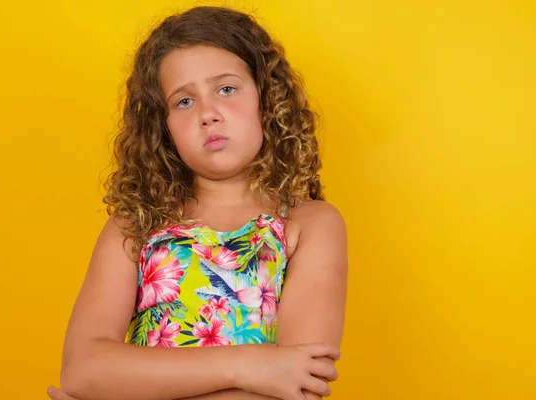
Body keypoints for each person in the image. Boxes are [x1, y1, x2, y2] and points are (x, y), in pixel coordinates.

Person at [47, 5, 348, 400]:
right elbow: (83, 371)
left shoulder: (310, 225)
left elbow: (298, 385)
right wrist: (251, 365)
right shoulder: (136, 224)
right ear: (163, 126)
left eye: (226, 88)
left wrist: (126, 387)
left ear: (267, 98)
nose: (208, 113)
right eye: (184, 102)